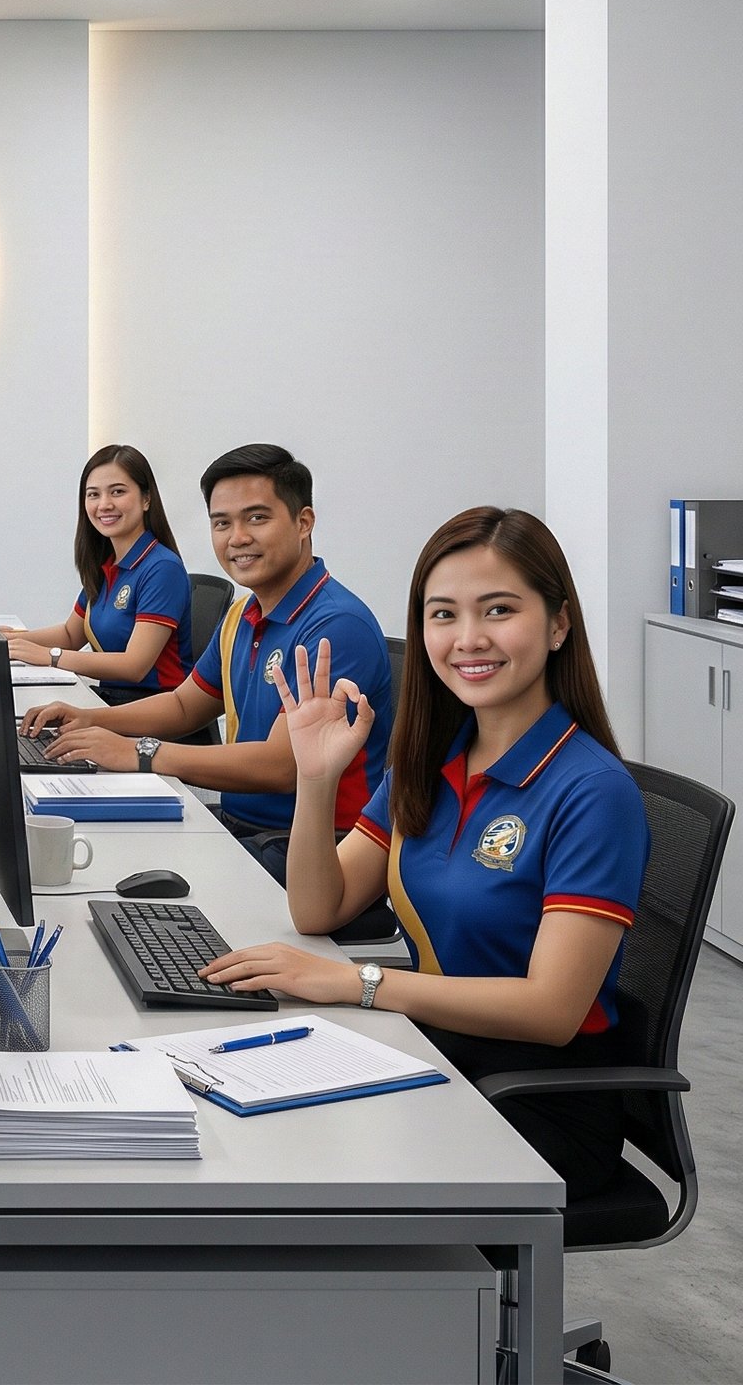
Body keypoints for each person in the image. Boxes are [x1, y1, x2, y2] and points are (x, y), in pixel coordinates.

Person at [199, 507, 650, 1202]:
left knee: (294, 1170)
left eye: (499, 610)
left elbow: (552, 1009)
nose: (469, 638)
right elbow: (319, 907)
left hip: (532, 1102)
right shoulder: (434, 761)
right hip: (435, 1049)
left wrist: (359, 982)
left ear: (559, 623)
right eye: (443, 615)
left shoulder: (592, 790)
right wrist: (316, 781)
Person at [24, 444, 393, 881]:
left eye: (257, 518)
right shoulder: (243, 614)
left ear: (303, 522)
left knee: (115, 880)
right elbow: (184, 706)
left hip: (314, 849)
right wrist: (89, 719)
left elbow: (280, 767)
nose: (237, 537)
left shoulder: (336, 626)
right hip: (245, 827)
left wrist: (140, 753)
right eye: (222, 523)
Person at [5, 444, 195, 698]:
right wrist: (7, 641)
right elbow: (71, 635)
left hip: (153, 706)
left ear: (146, 499)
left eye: (117, 492)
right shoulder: (107, 564)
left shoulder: (162, 568)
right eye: (93, 494)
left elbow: (134, 666)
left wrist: (51, 656)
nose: (104, 504)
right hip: (112, 699)